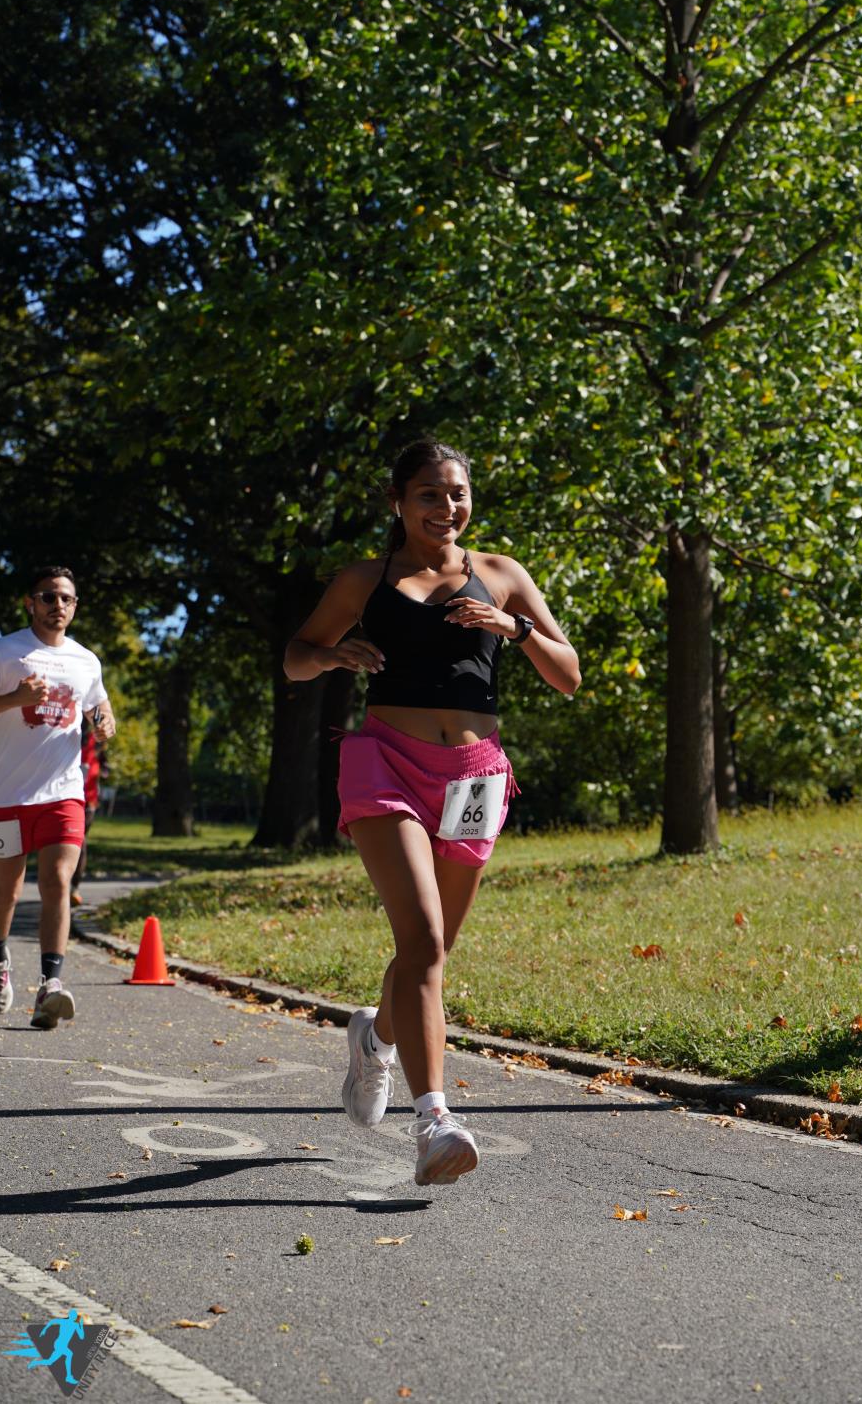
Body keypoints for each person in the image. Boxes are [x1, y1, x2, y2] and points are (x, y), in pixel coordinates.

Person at [284, 441, 580, 1185]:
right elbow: (296, 655)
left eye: (457, 494)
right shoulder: (365, 579)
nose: (447, 508)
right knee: (417, 937)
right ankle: (435, 1121)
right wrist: (332, 655)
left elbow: (569, 674)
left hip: (475, 778)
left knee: (432, 951)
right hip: (386, 763)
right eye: (429, 494)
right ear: (398, 502)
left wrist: (513, 629)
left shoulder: (502, 574)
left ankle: (374, 1040)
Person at [0, 567, 116, 1029]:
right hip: (8, 794)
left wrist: (105, 721)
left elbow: (99, 703)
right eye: (48, 597)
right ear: (30, 603)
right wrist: (16, 697)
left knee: (58, 880)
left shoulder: (86, 660)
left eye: (66, 599)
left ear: (75, 607)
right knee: (7, 891)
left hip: (63, 793)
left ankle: (49, 987)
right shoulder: (3, 652)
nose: (58, 605)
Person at [71, 718, 108, 905]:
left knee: (80, 840)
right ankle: (62, 883)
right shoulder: (65, 735)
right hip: (66, 797)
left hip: (88, 800)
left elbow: (104, 762)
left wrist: (104, 771)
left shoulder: (96, 740)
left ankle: (74, 887)